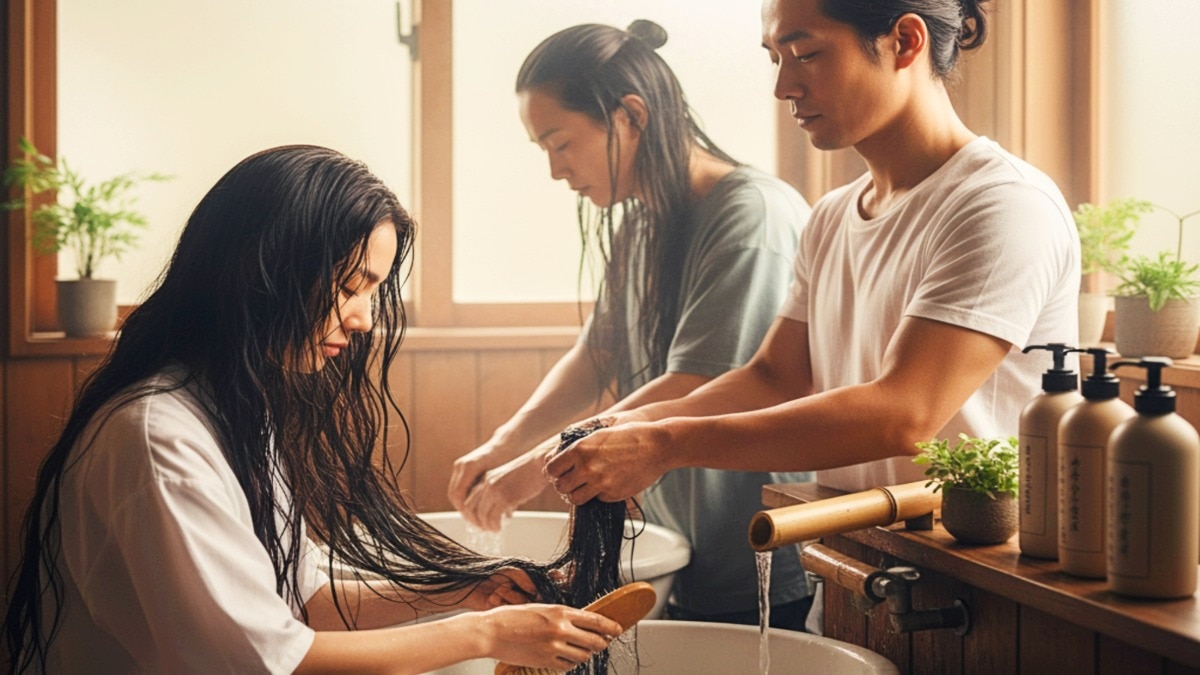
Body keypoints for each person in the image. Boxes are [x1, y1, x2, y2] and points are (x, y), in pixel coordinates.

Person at [1, 146, 623, 674]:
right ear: (261, 272)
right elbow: (270, 658)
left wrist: (466, 592)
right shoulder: (157, 438)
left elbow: (301, 599)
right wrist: (488, 635)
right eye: (350, 287)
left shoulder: (234, 409)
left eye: (374, 291)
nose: (363, 319)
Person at [543, 0, 1079, 553]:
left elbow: (905, 413)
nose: (783, 87)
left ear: (906, 42)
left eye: (807, 54)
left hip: (979, 564)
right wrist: (626, 424)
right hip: (855, 556)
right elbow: (776, 376)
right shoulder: (834, 215)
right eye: (775, 58)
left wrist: (664, 443)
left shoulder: (1000, 203)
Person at [446, 20, 816, 630]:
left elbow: (693, 384)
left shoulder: (751, 217)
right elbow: (597, 357)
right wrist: (501, 445)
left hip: (755, 545)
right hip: (683, 534)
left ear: (630, 116)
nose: (555, 171)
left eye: (560, 143)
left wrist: (532, 470)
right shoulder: (643, 224)